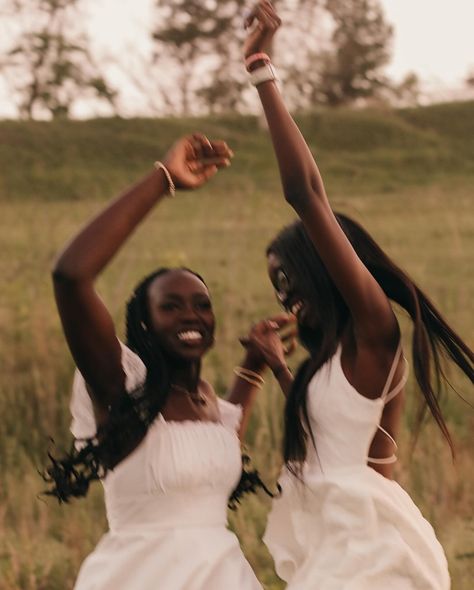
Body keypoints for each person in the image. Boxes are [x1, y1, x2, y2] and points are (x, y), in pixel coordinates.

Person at [240, 2, 474, 588]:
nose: (286, 297)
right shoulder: (331, 356)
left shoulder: (376, 330)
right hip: (334, 541)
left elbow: (306, 194)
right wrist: (277, 369)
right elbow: (334, 434)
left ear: (325, 268)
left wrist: (261, 69)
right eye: (277, 288)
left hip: (370, 549)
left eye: (290, 279)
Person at [45, 133, 283, 590]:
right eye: (171, 307)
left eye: (201, 304)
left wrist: (253, 367)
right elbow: (71, 275)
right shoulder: (123, 390)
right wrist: (163, 180)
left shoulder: (207, 400)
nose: (190, 314)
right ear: (145, 324)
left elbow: (220, 441)